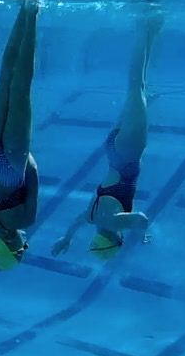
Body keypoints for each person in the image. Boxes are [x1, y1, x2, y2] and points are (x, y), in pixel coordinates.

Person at [52, 15, 161, 260]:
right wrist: (67, 238)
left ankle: (143, 27)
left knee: (136, 85)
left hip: (128, 153)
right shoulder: (92, 218)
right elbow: (77, 220)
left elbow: (141, 220)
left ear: (116, 240)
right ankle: (151, 31)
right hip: (112, 149)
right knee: (139, 89)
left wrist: (140, 233)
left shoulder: (113, 222)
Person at [0, 1, 40, 270]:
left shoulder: (24, 221)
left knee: (21, 88)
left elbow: (32, 176)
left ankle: (32, 13)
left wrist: (25, 154)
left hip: (12, 170)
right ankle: (22, 11)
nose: (26, 244)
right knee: (4, 80)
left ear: (13, 246)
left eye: (22, 249)